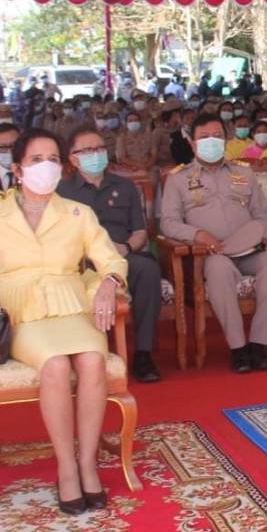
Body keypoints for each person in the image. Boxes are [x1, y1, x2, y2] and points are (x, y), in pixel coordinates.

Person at [0, 129, 128, 514]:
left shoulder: (78, 213)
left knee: (92, 359)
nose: (46, 167)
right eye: (36, 160)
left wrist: (108, 283)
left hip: (72, 305)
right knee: (54, 364)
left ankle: (88, 464)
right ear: (18, 169)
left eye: (53, 159)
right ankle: (66, 467)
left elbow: (112, 259)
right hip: (23, 311)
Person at [158, 114, 267, 373]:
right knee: (219, 268)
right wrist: (199, 235)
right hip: (211, 254)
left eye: (217, 136)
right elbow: (168, 223)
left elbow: (261, 213)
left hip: (248, 249)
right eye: (204, 137)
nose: (211, 141)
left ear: (225, 140)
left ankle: (259, 344)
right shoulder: (178, 178)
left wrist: (264, 235)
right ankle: (238, 348)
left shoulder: (244, 172)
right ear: (192, 143)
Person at [58, 129, 162, 383]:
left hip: (123, 255)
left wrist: (125, 248)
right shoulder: (61, 191)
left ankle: (143, 354)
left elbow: (140, 232)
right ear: (73, 159)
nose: (96, 154)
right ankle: (85, 353)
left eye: (100, 149)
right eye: (88, 150)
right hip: (83, 263)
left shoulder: (125, 186)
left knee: (148, 270)